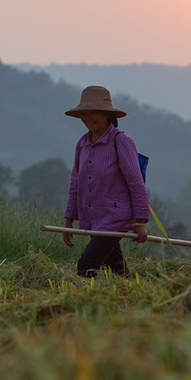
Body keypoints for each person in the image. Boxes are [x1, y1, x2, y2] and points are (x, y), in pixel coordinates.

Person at [62, 86, 151, 277]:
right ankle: (132, 294)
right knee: (117, 268)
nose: (87, 119)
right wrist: (68, 219)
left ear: (106, 115)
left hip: (114, 217)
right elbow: (76, 183)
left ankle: (86, 302)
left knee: (86, 265)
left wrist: (140, 221)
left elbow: (136, 182)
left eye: (92, 113)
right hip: (93, 216)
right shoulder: (83, 144)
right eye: (83, 114)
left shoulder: (121, 141)